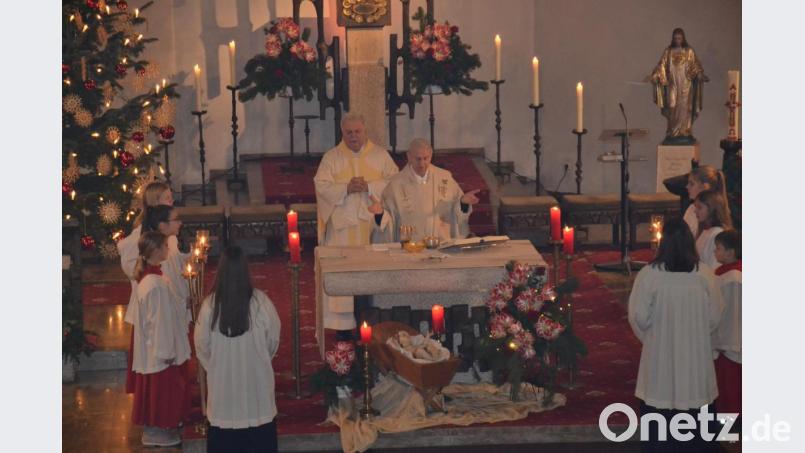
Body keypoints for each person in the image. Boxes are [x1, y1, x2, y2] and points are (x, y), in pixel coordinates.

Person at [628, 218, 723, 452]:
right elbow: (715, 316)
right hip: (695, 362)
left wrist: (653, 340)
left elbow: (638, 317)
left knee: (660, 435)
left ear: (664, 244)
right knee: (697, 437)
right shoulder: (705, 275)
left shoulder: (649, 275)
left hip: (661, 363)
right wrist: (696, 335)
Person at [313, 113, 399, 333]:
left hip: (372, 228)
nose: (353, 136)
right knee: (344, 283)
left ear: (365, 131)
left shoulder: (380, 156)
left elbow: (395, 183)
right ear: (342, 133)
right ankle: (343, 336)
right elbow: (321, 186)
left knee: (369, 285)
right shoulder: (331, 158)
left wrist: (369, 186)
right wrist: (346, 188)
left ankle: (371, 330)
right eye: (348, 132)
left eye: (357, 132)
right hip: (343, 231)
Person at [194, 246, 281, 453]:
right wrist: (259, 360)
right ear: (245, 271)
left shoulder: (209, 306)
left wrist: (215, 367)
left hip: (223, 394)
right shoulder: (262, 303)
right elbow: (273, 341)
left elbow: (201, 347)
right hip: (257, 393)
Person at [129, 231, 192, 447]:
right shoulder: (153, 284)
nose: (169, 249)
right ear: (156, 251)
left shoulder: (155, 278)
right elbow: (159, 323)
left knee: (162, 393)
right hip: (161, 353)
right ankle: (159, 433)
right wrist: (166, 352)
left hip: (159, 349)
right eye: (166, 245)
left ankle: (161, 431)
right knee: (162, 395)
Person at [117, 181, 173, 394]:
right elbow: (129, 261)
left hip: (164, 294)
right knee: (151, 351)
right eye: (168, 198)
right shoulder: (142, 232)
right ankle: (151, 396)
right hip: (150, 299)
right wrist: (143, 278)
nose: (172, 201)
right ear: (155, 202)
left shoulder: (166, 226)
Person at [372, 138, 481, 242]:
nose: (422, 164)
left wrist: (463, 203)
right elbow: (389, 221)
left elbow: (456, 212)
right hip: (410, 248)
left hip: (440, 244)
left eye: (426, 158)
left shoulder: (444, 178)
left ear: (431, 155)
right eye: (418, 159)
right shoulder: (395, 185)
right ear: (409, 156)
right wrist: (380, 214)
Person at [650, 28, 707, 145]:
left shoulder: (689, 51)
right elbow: (661, 65)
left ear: (683, 38)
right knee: (672, 106)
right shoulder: (668, 51)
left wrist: (699, 73)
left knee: (685, 109)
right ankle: (673, 132)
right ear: (673, 39)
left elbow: (695, 65)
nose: (677, 40)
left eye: (679, 38)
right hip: (673, 85)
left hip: (686, 85)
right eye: (675, 38)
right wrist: (656, 74)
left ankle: (685, 132)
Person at [712, 229, 741, 418]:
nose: (715, 252)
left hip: (730, 340)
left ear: (730, 252)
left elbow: (730, 313)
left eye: (718, 248)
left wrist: (721, 339)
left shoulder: (732, 280)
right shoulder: (730, 274)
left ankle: (730, 433)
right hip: (733, 340)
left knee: (730, 388)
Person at [693, 190, 733, 269]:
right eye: (695, 207)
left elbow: (715, 267)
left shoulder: (717, 233)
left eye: (699, 207)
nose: (695, 211)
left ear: (712, 209)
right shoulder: (705, 231)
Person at [684, 166, 725, 235]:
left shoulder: (712, 215)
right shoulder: (691, 208)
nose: (687, 186)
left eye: (692, 184)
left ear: (705, 187)